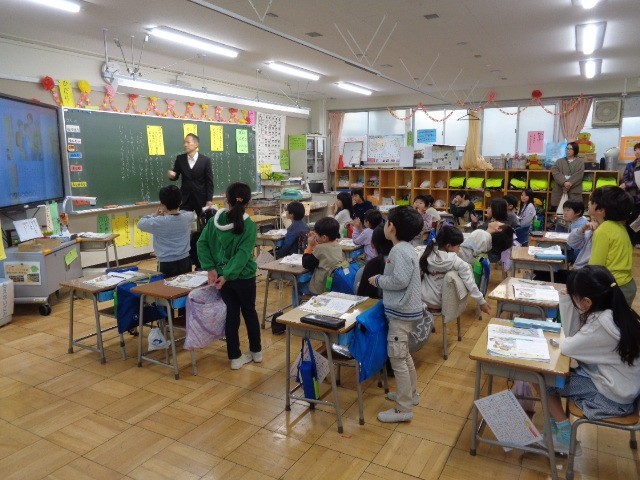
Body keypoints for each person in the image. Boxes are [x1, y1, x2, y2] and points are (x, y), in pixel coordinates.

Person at [545, 266, 640, 454]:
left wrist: (566, 301)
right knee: (555, 374)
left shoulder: (601, 323)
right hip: (625, 391)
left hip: (610, 399)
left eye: (575, 297)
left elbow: (568, 346)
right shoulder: (621, 314)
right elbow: (575, 339)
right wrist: (569, 299)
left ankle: (564, 436)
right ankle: (554, 429)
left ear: (587, 302)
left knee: (543, 378)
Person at [368, 207, 424, 423]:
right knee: (404, 355)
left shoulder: (398, 251)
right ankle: (410, 394)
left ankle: (403, 408)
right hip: (407, 310)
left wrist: (379, 280)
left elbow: (399, 280)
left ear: (392, 227)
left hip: (401, 313)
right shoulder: (407, 248)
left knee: (398, 359)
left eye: (387, 222)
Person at [197, 182, 261, 370]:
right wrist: (227, 275)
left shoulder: (213, 222)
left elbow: (202, 244)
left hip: (222, 279)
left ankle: (235, 357)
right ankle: (256, 352)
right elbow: (243, 255)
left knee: (231, 316)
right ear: (248, 203)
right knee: (249, 312)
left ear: (227, 200)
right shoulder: (249, 225)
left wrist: (212, 269)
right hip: (244, 277)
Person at [419, 225, 492, 314]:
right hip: (444, 304)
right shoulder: (458, 262)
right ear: (448, 246)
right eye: (458, 246)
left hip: (422, 300)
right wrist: (482, 302)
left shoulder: (426, 253)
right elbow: (470, 283)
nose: (459, 249)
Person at [588, 186, 636, 305]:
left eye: (591, 202)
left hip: (614, 286)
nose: (588, 203)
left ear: (601, 210)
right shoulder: (619, 226)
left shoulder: (603, 231)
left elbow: (595, 267)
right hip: (626, 284)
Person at [137, 185, 193, 278]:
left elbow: (140, 223)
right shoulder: (188, 217)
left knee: (166, 286)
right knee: (185, 285)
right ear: (180, 202)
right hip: (185, 261)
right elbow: (186, 213)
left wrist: (155, 215)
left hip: (166, 263)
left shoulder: (159, 221)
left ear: (162, 204)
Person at [167, 133, 214, 221]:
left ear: (196, 144)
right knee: (184, 222)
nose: (185, 145)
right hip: (185, 198)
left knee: (204, 222)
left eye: (188, 142)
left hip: (201, 198)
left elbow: (209, 182)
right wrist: (172, 175)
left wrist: (209, 200)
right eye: (184, 142)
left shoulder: (205, 160)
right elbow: (175, 176)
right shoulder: (180, 159)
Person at [297, 217, 343, 304]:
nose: (315, 236)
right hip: (332, 285)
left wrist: (309, 246)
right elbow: (321, 256)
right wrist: (317, 241)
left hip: (320, 288)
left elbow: (306, 264)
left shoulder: (320, 248)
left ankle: (296, 309)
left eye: (316, 234)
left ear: (324, 238)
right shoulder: (337, 245)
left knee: (297, 285)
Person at [356, 225, 393, 299]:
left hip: (373, 304)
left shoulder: (368, 267)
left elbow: (359, 294)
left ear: (372, 244)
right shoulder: (401, 262)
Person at [550, 141, 584, 211]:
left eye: (570, 149)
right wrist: (564, 182)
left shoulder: (580, 162)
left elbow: (579, 175)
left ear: (575, 150)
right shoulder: (559, 161)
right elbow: (555, 172)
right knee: (559, 212)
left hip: (574, 190)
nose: (568, 150)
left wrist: (570, 183)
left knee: (573, 210)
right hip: (560, 190)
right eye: (567, 148)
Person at [619, 142, 640, 248]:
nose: (637, 152)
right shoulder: (630, 165)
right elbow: (625, 178)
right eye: (635, 150)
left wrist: (627, 184)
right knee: (630, 219)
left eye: (639, 149)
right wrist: (627, 184)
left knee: (638, 219)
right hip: (631, 197)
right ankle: (631, 241)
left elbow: (634, 182)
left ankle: (638, 241)